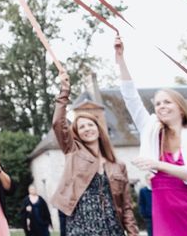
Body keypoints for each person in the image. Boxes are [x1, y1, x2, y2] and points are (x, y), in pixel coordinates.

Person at [115, 37, 187, 235]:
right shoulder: (150, 129)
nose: (161, 106)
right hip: (164, 210)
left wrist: (157, 165)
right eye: (157, 104)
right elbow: (131, 97)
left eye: (167, 102)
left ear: (181, 108)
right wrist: (120, 60)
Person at [51, 69, 138, 236]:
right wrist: (64, 91)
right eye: (81, 127)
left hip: (113, 228)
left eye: (90, 125)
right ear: (76, 134)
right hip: (81, 227)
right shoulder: (73, 151)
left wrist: (133, 232)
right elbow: (58, 123)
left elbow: (126, 206)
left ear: (98, 129)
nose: (87, 129)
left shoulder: (118, 166)